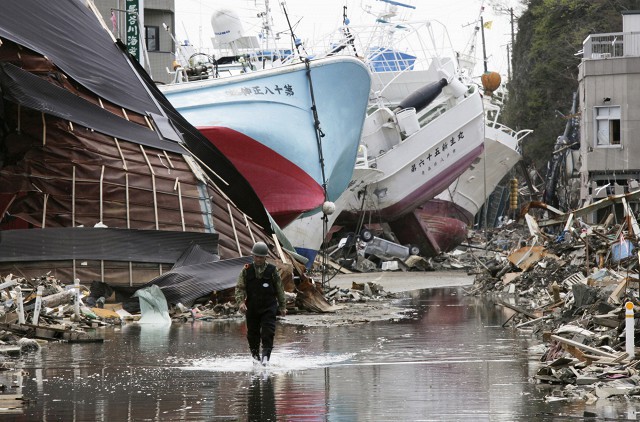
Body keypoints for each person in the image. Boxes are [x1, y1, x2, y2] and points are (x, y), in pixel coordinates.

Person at [235, 241, 287, 366]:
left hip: (269, 307)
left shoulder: (272, 270)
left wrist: (283, 306)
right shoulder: (246, 270)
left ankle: (265, 358)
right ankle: (255, 357)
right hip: (252, 307)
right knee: (252, 334)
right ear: (253, 256)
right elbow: (240, 288)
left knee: (268, 332)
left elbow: (280, 289)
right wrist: (241, 303)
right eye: (256, 256)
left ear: (265, 257)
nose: (258, 259)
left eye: (261, 257)